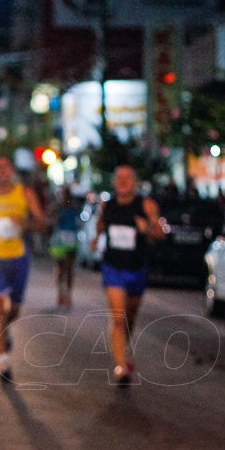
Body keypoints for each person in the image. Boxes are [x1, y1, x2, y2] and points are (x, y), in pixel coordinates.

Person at [93, 165, 165, 385]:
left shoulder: (147, 205)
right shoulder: (108, 205)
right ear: (114, 182)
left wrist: (147, 229)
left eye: (128, 178)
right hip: (113, 267)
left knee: (130, 313)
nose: (123, 181)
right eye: (120, 178)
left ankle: (123, 348)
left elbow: (160, 235)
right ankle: (121, 367)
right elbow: (101, 225)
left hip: (137, 268)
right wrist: (96, 238)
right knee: (117, 318)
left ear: (136, 182)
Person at [0, 156, 47, 382]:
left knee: (14, 309)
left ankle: (4, 331)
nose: (2, 171)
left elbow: (42, 224)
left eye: (6, 167)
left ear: (13, 171)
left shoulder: (25, 194)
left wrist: (24, 223)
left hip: (19, 257)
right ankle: (3, 359)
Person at [49, 185, 80, 308]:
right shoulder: (57, 206)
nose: (65, 195)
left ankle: (67, 295)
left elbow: (80, 220)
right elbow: (51, 217)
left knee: (69, 268)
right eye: (63, 193)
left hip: (71, 240)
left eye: (67, 193)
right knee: (61, 268)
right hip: (59, 241)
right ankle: (61, 294)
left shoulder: (75, 205)